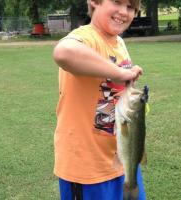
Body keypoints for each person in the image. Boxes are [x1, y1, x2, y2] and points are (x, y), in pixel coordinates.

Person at [52, 0, 145, 199]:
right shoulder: (86, 37)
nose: (123, 12)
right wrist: (120, 73)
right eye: (117, 2)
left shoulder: (119, 42)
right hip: (87, 169)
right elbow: (63, 52)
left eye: (130, 7)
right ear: (94, 2)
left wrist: (133, 91)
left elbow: (116, 93)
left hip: (123, 159)